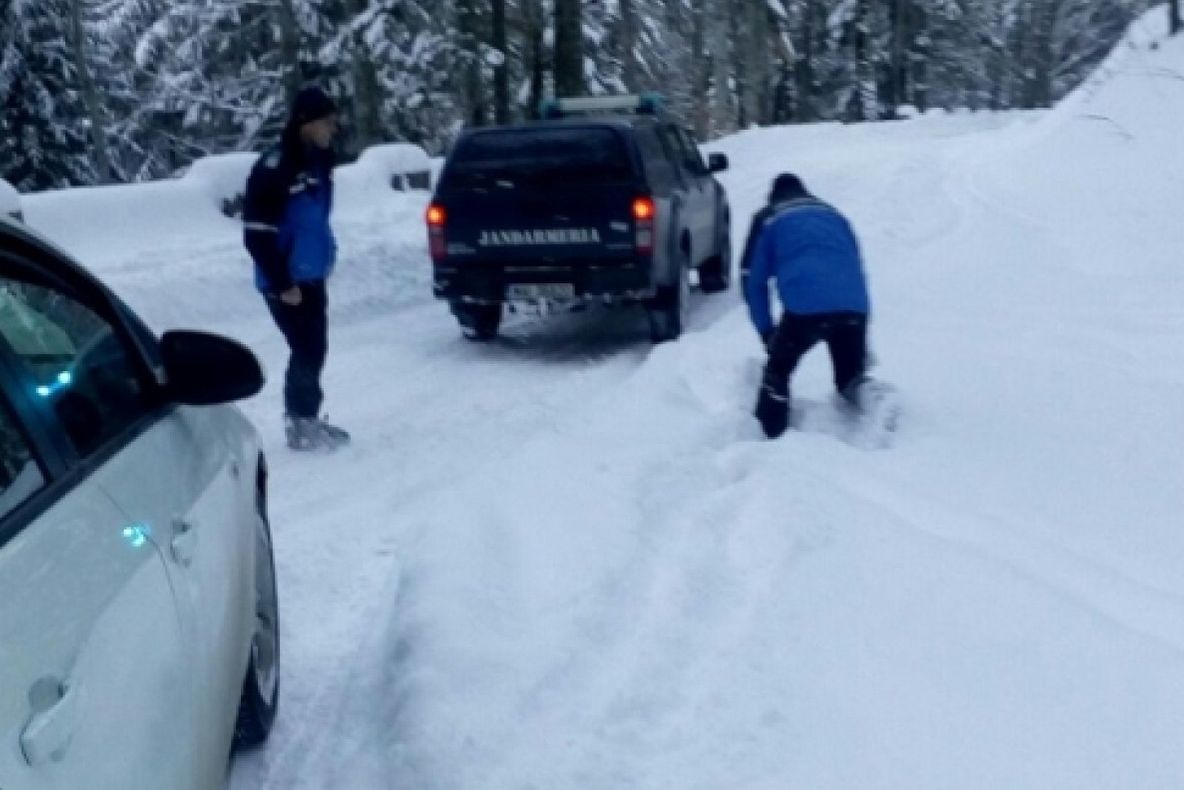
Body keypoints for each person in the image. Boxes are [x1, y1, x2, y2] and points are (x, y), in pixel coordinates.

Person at [243, 85, 349, 450]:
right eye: (327, 123)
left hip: (311, 273)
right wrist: (282, 280)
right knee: (306, 348)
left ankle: (307, 418)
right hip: (287, 281)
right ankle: (301, 423)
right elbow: (256, 235)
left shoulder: (318, 163)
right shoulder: (276, 168)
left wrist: (327, 252)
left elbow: (314, 218)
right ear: (306, 123)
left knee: (314, 347)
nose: (332, 130)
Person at [743, 173, 878, 439]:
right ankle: (878, 400)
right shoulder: (834, 215)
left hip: (805, 309)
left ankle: (767, 437)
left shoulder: (769, 217)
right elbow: (854, 268)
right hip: (853, 306)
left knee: (778, 372)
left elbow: (753, 281)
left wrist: (766, 332)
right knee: (850, 378)